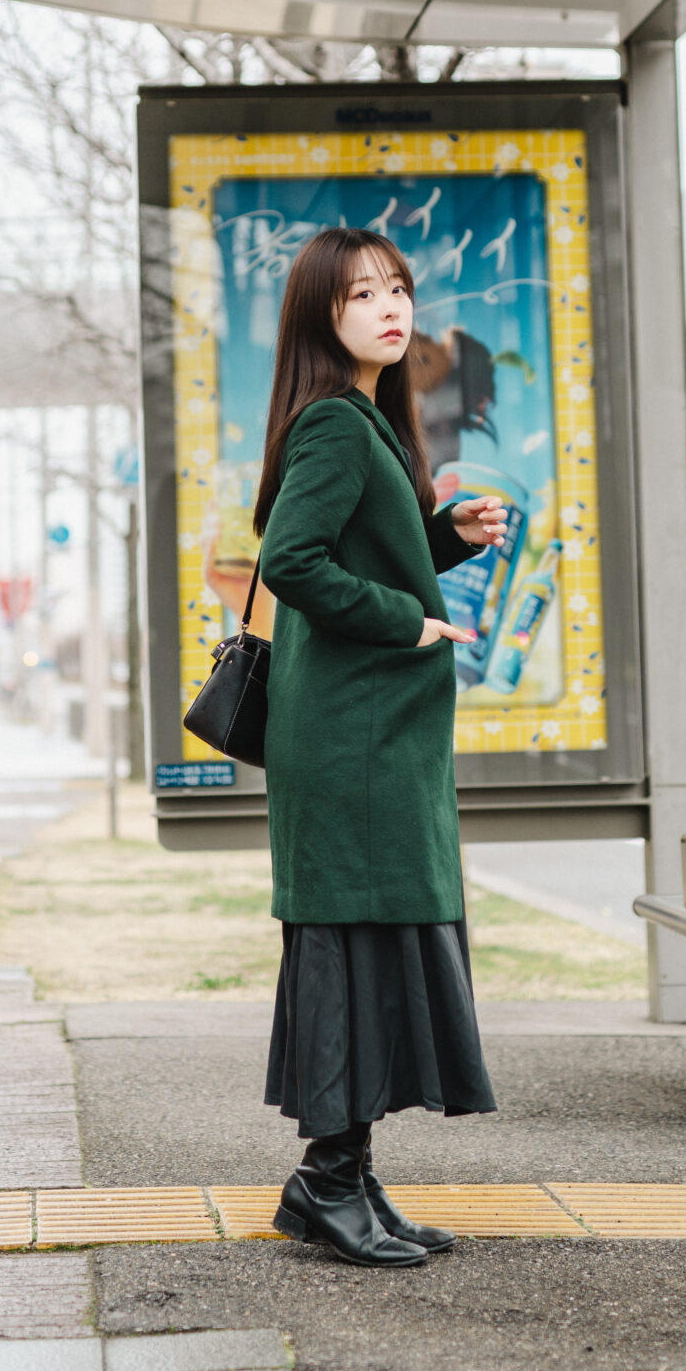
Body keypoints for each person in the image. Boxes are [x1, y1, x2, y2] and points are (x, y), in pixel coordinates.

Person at [254, 227, 509, 1268]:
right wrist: (409, 621)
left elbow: (358, 545)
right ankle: (326, 1179)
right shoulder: (333, 422)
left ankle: (347, 1176)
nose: (390, 306)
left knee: (372, 947)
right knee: (351, 950)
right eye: (361, 294)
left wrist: (445, 539)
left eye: (396, 287)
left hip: (369, 737)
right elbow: (293, 559)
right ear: (322, 316)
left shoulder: (366, 420)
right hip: (350, 741)